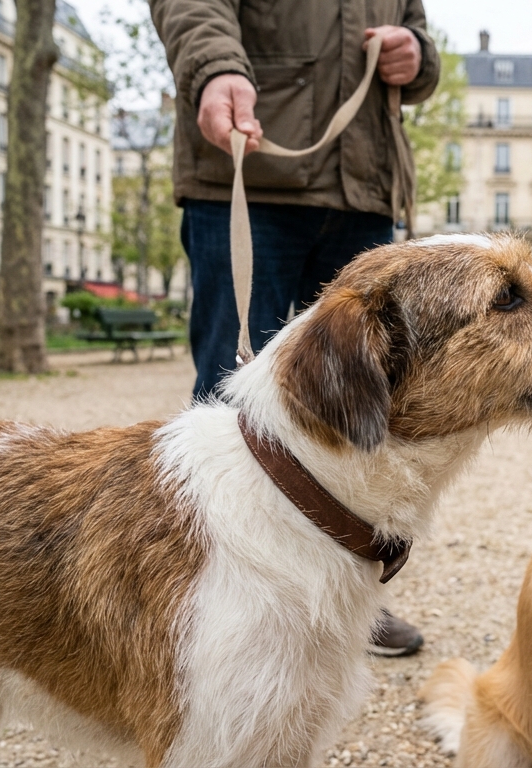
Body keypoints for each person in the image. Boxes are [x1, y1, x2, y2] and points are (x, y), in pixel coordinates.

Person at [150, 0, 442, 657]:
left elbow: (416, 31)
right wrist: (215, 68)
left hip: (363, 185)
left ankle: (349, 592)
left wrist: (418, 57)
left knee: (365, 407)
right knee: (229, 401)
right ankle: (206, 592)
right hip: (252, 166)